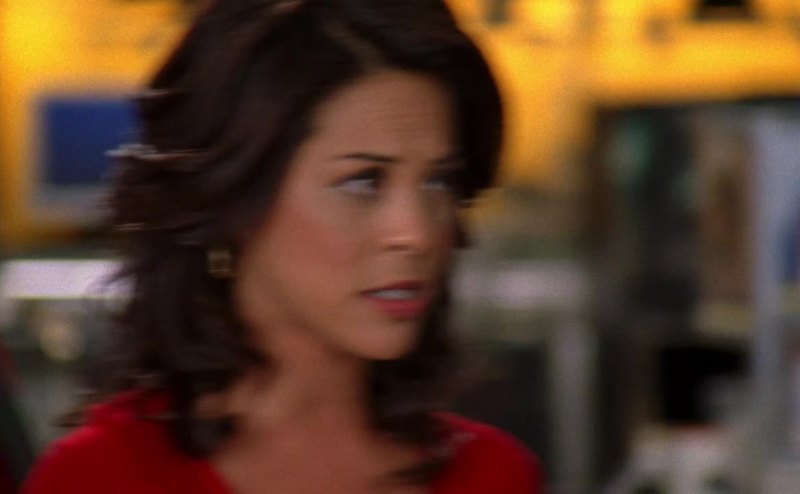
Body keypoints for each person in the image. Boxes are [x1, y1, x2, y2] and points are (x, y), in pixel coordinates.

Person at [22, 0, 542, 492]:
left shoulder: (492, 475)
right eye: (363, 181)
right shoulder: (103, 476)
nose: (418, 233)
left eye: (438, 181)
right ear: (233, 197)